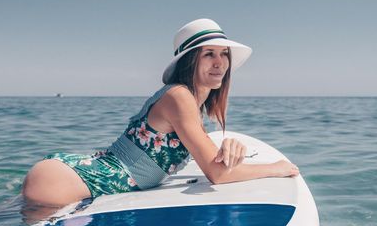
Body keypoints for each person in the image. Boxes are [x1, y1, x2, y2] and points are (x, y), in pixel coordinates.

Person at [22, 18, 299, 208]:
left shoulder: (186, 100)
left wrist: (227, 148)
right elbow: (218, 175)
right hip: (68, 180)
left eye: (224, 54)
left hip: (71, 175)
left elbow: (209, 160)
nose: (220, 63)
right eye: (208, 54)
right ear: (190, 61)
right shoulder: (179, 97)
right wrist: (277, 168)